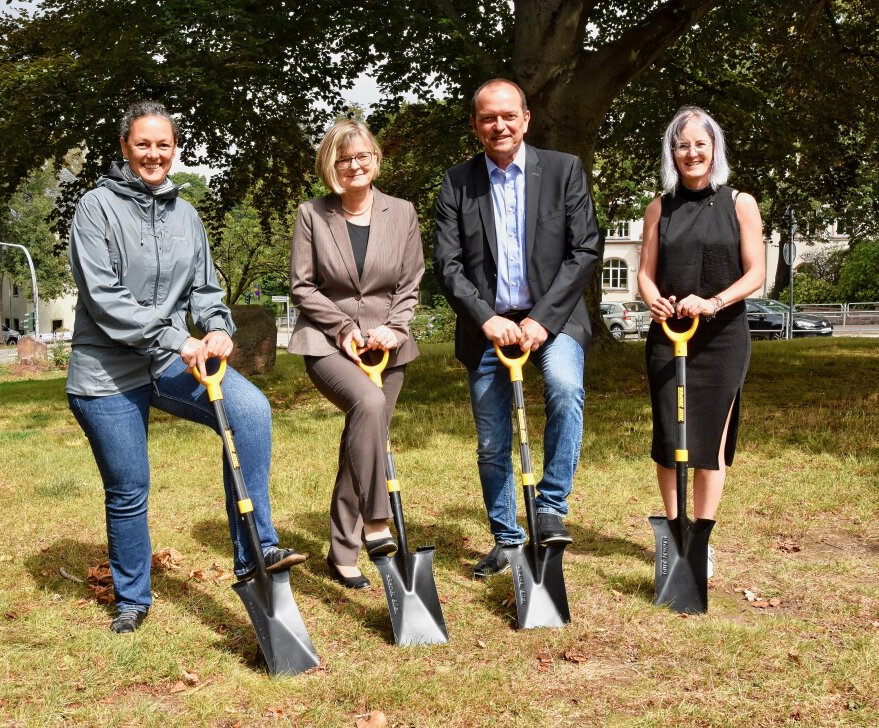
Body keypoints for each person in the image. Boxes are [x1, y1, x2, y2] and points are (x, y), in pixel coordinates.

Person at [66, 101, 307, 633]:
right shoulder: (95, 209)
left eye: (164, 144)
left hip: (170, 361)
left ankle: (258, 553)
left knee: (249, 412)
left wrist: (218, 324)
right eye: (143, 144)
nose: (154, 154)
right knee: (129, 487)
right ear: (125, 148)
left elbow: (205, 287)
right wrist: (180, 338)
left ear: (175, 149)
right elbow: (105, 299)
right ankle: (132, 599)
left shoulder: (186, 213)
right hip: (106, 371)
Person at [433, 79, 602, 578]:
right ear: (476, 125)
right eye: (488, 118)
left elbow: (585, 250)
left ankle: (550, 508)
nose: (499, 125)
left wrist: (541, 321)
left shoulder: (563, 170)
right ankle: (507, 539)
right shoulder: (456, 183)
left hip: (555, 315)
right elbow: (447, 263)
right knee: (491, 438)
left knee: (565, 387)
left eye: (508, 115)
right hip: (486, 322)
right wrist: (486, 319)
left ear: (526, 119)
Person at [288, 120, 424, 589]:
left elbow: (410, 283)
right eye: (343, 158)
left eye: (362, 155)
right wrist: (344, 328)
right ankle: (375, 521)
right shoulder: (313, 214)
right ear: (331, 165)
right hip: (328, 343)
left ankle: (341, 552)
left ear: (376, 158)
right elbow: (302, 287)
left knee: (361, 438)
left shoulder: (402, 212)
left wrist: (395, 328)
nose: (354, 165)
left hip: (389, 347)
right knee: (367, 406)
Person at [637, 106, 764, 575]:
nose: (692, 153)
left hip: (722, 337)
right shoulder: (659, 207)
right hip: (669, 337)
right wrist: (653, 300)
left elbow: (756, 274)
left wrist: (712, 302)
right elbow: (645, 277)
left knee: (710, 441)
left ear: (715, 150)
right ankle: (674, 534)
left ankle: (702, 537)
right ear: (673, 152)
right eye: (682, 144)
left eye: (700, 144)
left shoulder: (740, 203)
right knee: (671, 439)